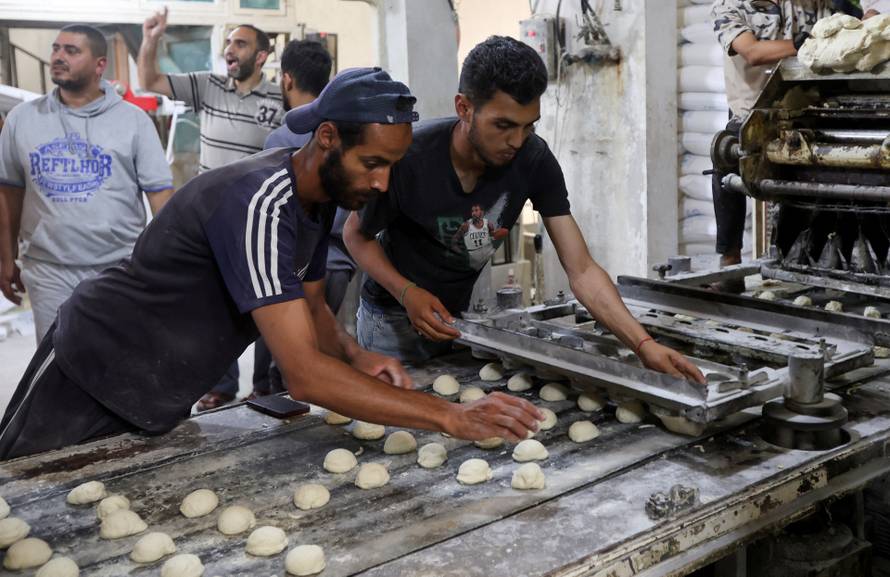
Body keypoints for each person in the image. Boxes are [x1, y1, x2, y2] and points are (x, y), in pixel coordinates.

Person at [0, 67, 543, 461]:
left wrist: (355, 355)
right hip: (92, 365)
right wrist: (448, 415)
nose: (382, 184)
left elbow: (310, 306)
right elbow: (303, 376)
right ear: (327, 138)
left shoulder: (322, 197)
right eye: (373, 164)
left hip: (160, 385)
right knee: (25, 500)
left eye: (391, 167)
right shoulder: (258, 203)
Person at [344, 37, 705, 385]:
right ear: (464, 108)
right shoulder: (412, 159)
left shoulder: (533, 159)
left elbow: (581, 270)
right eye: (503, 126)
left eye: (528, 125)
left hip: (458, 317)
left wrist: (643, 345)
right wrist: (407, 293)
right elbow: (355, 236)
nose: (516, 141)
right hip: (390, 320)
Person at [138, 9, 285, 409]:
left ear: (261, 56)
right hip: (210, 220)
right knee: (212, 304)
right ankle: (220, 385)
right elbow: (149, 81)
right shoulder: (209, 86)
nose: (229, 51)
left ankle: (265, 386)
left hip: (258, 220)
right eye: (228, 43)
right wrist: (151, 38)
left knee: (265, 302)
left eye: (240, 44)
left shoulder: (278, 98)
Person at [0, 24, 173, 342]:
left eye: (71, 50)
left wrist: (167, 261)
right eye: (55, 49)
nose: (58, 57)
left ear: (99, 65)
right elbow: (10, 192)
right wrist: (5, 257)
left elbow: (160, 196)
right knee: (55, 360)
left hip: (117, 267)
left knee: (115, 357)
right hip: (48, 267)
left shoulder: (133, 121)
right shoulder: (22, 119)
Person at [710, 0, 840, 290]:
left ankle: (813, 256)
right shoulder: (729, 6)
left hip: (806, 109)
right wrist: (800, 44)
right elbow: (753, 53)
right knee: (726, 158)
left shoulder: (809, 3)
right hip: (753, 113)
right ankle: (729, 262)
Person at [253, 39, 355, 398]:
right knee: (317, 352)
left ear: (286, 79)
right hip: (340, 265)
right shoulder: (345, 132)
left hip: (291, 269)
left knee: (284, 360)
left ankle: (271, 405)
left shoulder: (281, 138)